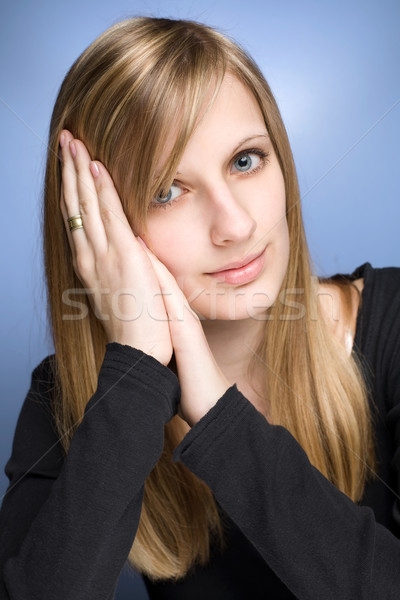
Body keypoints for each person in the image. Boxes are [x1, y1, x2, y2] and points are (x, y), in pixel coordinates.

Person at [0, 16, 399, 600]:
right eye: (167, 191)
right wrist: (136, 369)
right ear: (98, 229)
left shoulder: (390, 324)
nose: (236, 225)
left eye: (246, 160)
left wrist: (216, 414)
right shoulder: (75, 399)